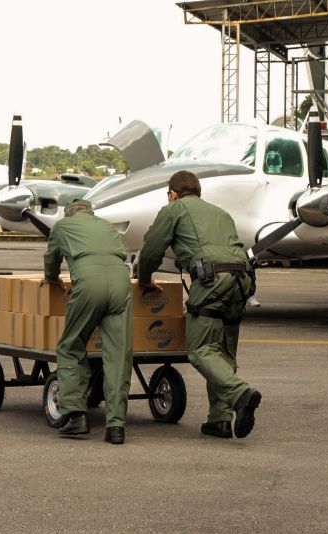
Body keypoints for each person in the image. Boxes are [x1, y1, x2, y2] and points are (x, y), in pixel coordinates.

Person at [137, 170, 261, 439]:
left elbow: (151, 250)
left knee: (201, 350)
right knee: (224, 353)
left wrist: (143, 279)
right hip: (242, 280)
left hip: (212, 280)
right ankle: (220, 419)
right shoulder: (220, 213)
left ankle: (241, 394)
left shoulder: (175, 209)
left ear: (172, 193)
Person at [43, 199, 133, 445]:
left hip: (89, 283)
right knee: (117, 355)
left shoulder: (63, 226)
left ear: (70, 213)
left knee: (70, 346)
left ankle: (76, 416)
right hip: (120, 282)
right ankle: (116, 426)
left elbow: (51, 261)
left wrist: (51, 279)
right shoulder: (107, 226)